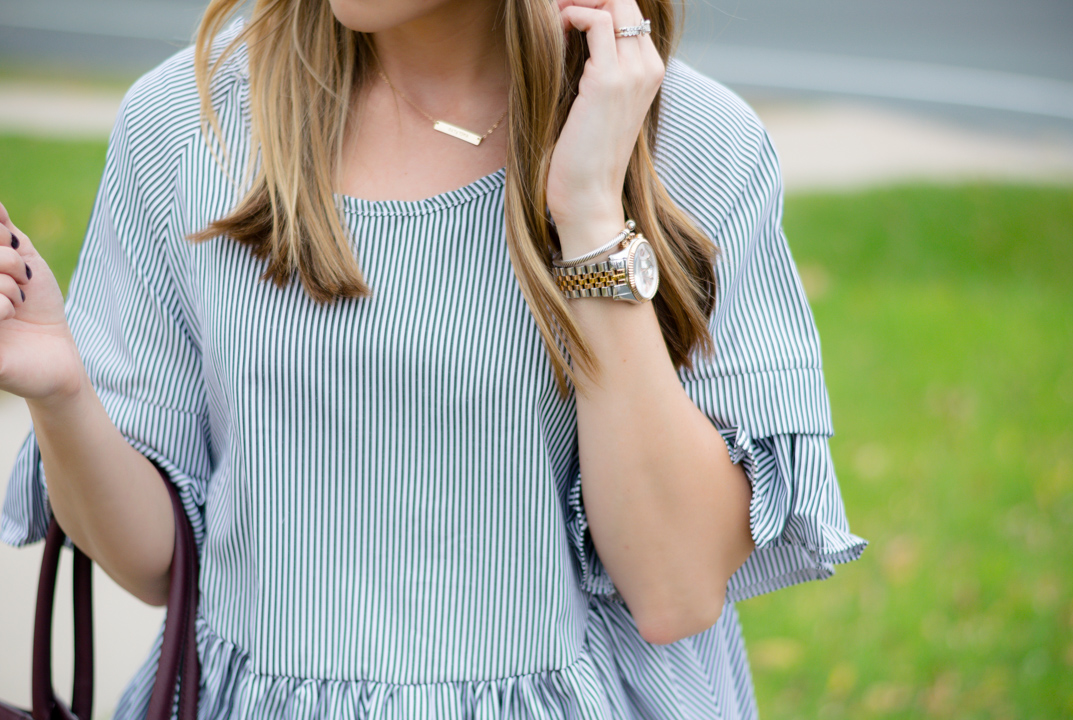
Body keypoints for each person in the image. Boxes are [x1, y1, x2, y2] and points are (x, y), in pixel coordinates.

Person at [0, 0, 868, 717]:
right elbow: (157, 563)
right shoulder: (192, 122)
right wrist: (61, 390)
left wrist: (593, 215)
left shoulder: (690, 143)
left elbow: (675, 589)